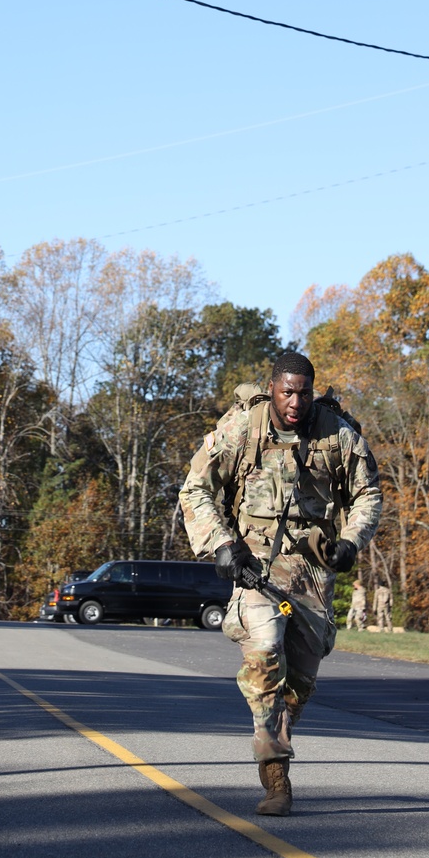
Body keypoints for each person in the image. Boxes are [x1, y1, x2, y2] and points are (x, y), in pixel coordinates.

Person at [179, 349, 382, 817]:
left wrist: (350, 542)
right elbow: (195, 489)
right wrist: (225, 547)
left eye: (303, 392)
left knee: (301, 682)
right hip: (254, 565)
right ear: (271, 388)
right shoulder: (241, 430)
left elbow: (368, 493)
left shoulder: (338, 435)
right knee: (266, 654)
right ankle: (276, 779)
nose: (295, 401)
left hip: (312, 571)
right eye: (287, 391)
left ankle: (276, 739)